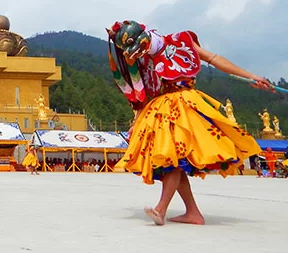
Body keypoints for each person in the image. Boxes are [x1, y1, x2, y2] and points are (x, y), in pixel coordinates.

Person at [107, 20, 270, 226]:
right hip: (160, 109)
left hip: (183, 105)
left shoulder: (179, 41)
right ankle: (192, 212)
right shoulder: (143, 62)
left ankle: (161, 209)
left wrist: (251, 77)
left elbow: (213, 58)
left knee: (172, 157)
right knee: (170, 160)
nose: (137, 54)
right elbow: (145, 96)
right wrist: (137, 121)